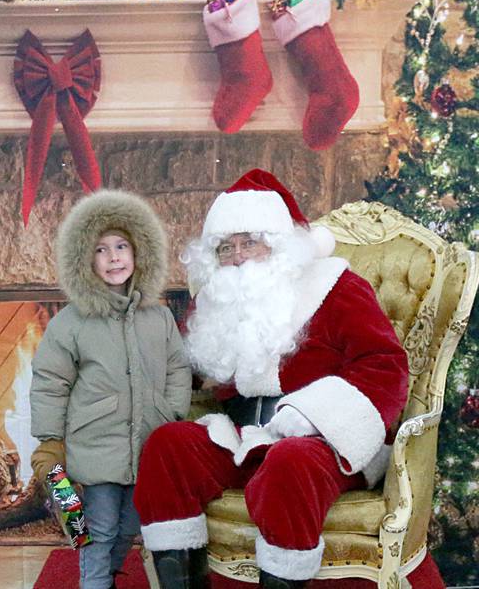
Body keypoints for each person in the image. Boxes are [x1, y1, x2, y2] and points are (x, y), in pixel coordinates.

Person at [133, 169, 409, 589]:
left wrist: (314, 415)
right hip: (245, 437)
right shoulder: (217, 301)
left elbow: (386, 365)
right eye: (227, 248)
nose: (238, 256)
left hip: (325, 441)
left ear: (278, 244)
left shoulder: (336, 287)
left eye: (250, 242)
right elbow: (185, 368)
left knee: (288, 463)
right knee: (166, 447)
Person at [29, 189, 192, 589]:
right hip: (95, 446)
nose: (114, 257)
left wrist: (171, 413)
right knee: (96, 529)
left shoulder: (159, 318)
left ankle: (108, 575)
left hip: (149, 444)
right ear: (86, 259)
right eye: (101, 249)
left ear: (140, 252)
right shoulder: (72, 322)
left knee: (131, 525)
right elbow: (51, 381)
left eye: (122, 246)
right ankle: (96, 582)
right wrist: (51, 439)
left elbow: (177, 366)